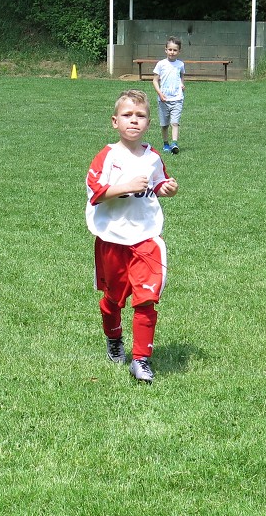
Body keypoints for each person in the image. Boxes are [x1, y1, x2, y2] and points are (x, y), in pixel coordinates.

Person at [85, 89, 179, 383]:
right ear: (115, 122)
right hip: (112, 239)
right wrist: (123, 186)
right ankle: (114, 339)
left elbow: (159, 182)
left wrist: (167, 188)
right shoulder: (107, 157)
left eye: (140, 116)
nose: (133, 121)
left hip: (146, 237)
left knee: (146, 299)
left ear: (148, 123)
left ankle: (141, 360)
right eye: (127, 115)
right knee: (113, 299)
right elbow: (95, 195)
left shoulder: (152, 158)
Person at [151, 35, 185, 155]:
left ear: (179, 51)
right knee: (164, 124)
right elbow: (155, 80)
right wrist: (160, 93)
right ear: (166, 50)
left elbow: (181, 76)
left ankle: (174, 143)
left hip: (177, 98)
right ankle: (166, 144)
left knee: (175, 122)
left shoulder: (180, 64)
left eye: (175, 50)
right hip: (164, 99)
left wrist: (181, 84)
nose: (172, 52)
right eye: (170, 49)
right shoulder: (161, 64)